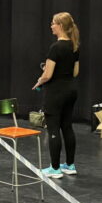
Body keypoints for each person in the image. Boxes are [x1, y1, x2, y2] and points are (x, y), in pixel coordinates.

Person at [33, 12, 80, 178]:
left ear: (60, 26)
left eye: (53, 23)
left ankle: (54, 168)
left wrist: (39, 81)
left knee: (53, 128)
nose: (51, 26)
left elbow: (47, 75)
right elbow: (75, 72)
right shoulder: (74, 46)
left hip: (56, 93)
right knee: (67, 126)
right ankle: (70, 165)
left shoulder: (55, 47)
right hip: (71, 91)